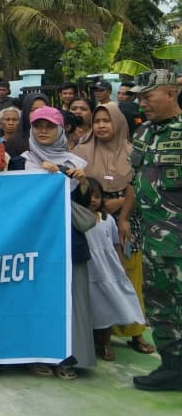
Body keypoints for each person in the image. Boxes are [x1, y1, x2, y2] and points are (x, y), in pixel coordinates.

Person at [18, 106, 95, 378]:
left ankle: (69, 357)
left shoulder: (76, 164)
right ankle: (38, 354)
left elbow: (87, 206)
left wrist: (82, 182)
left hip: (69, 244)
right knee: (37, 298)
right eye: (38, 126)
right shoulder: (22, 162)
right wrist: (40, 178)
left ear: (61, 130)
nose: (43, 131)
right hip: (34, 245)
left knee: (72, 301)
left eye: (49, 126)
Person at [73, 102, 154, 351]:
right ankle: (100, 334)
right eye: (97, 121)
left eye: (106, 121)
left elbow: (142, 185)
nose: (101, 126)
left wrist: (122, 212)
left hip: (127, 223)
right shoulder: (80, 152)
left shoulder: (134, 151)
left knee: (129, 276)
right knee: (96, 279)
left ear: (118, 123)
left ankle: (135, 331)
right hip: (91, 224)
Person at [129, 69, 182, 391]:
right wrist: (124, 218)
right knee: (161, 305)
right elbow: (137, 180)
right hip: (152, 239)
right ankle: (173, 367)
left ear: (171, 94)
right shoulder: (144, 133)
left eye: (147, 96)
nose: (142, 103)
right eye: (139, 98)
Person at [81, 179, 145, 361]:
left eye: (97, 196)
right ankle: (92, 343)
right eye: (89, 195)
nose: (93, 200)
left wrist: (120, 264)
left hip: (107, 270)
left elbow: (116, 244)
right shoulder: (76, 216)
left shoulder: (108, 220)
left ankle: (105, 343)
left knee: (108, 305)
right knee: (91, 306)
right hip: (88, 269)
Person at [4, 92, 50, 159]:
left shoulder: (56, 138)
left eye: (42, 109)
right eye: (33, 110)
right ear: (26, 111)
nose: (39, 113)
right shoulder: (14, 143)